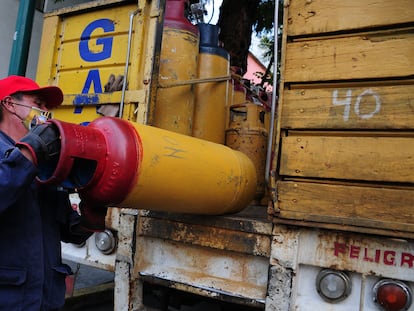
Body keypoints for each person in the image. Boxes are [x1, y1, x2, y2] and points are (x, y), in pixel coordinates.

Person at [0, 75, 93, 311]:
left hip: (45, 300)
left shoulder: (44, 163)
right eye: (39, 103)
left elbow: (70, 231)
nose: (45, 112)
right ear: (10, 104)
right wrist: (34, 150)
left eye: (47, 107)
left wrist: (94, 211)